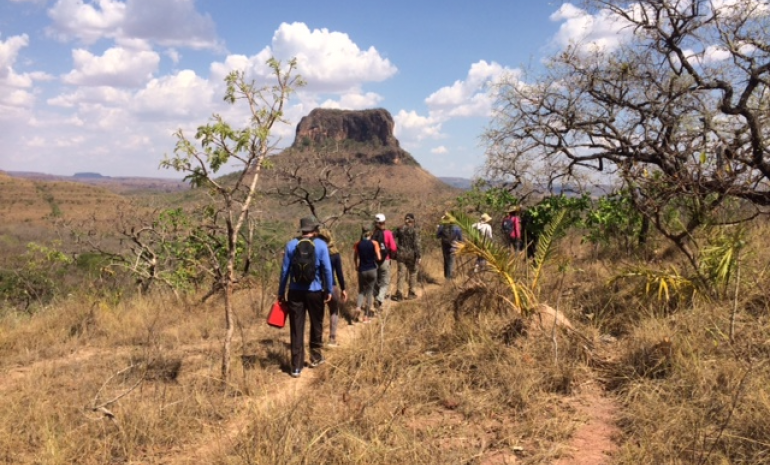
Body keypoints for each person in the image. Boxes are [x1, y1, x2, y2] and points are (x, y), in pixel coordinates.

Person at [277, 217, 334, 378]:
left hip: (295, 291)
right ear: (314, 230)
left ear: (302, 230)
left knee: (296, 328)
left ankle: (296, 366)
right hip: (315, 291)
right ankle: (315, 357)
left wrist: (281, 292)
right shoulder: (321, 245)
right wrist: (328, 289)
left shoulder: (291, 245)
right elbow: (327, 270)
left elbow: (285, 272)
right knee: (316, 324)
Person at [318, 227, 348, 348]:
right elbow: (339, 273)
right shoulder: (335, 253)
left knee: (318, 314)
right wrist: (343, 288)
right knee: (334, 311)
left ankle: (317, 340)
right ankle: (332, 339)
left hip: (318, 286)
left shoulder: (316, 250)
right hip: (332, 285)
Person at [353, 223, 381, 323]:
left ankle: (358, 307)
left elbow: (355, 257)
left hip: (362, 270)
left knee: (361, 291)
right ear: (371, 232)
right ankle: (366, 316)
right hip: (372, 269)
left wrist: (356, 266)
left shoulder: (357, 244)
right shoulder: (374, 243)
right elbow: (379, 257)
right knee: (370, 292)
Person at [392, 213, 421, 301]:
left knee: (401, 274)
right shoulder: (415, 230)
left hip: (400, 254)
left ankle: (399, 294)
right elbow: (417, 244)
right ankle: (411, 293)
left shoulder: (399, 229)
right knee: (413, 273)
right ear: (413, 220)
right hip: (412, 255)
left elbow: (391, 237)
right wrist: (419, 256)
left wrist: (396, 247)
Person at [372, 213, 397, 310]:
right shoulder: (388, 233)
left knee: (375, 282)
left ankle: (376, 299)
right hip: (385, 260)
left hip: (373, 261)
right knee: (385, 282)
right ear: (384, 222)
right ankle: (379, 299)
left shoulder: (372, 233)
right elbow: (393, 247)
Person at [436, 213, 463, 281]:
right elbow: (460, 239)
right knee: (451, 261)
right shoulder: (457, 227)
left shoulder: (441, 227)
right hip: (453, 246)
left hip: (444, 246)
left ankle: (446, 277)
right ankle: (449, 279)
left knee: (446, 261)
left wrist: (439, 230)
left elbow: (437, 236)